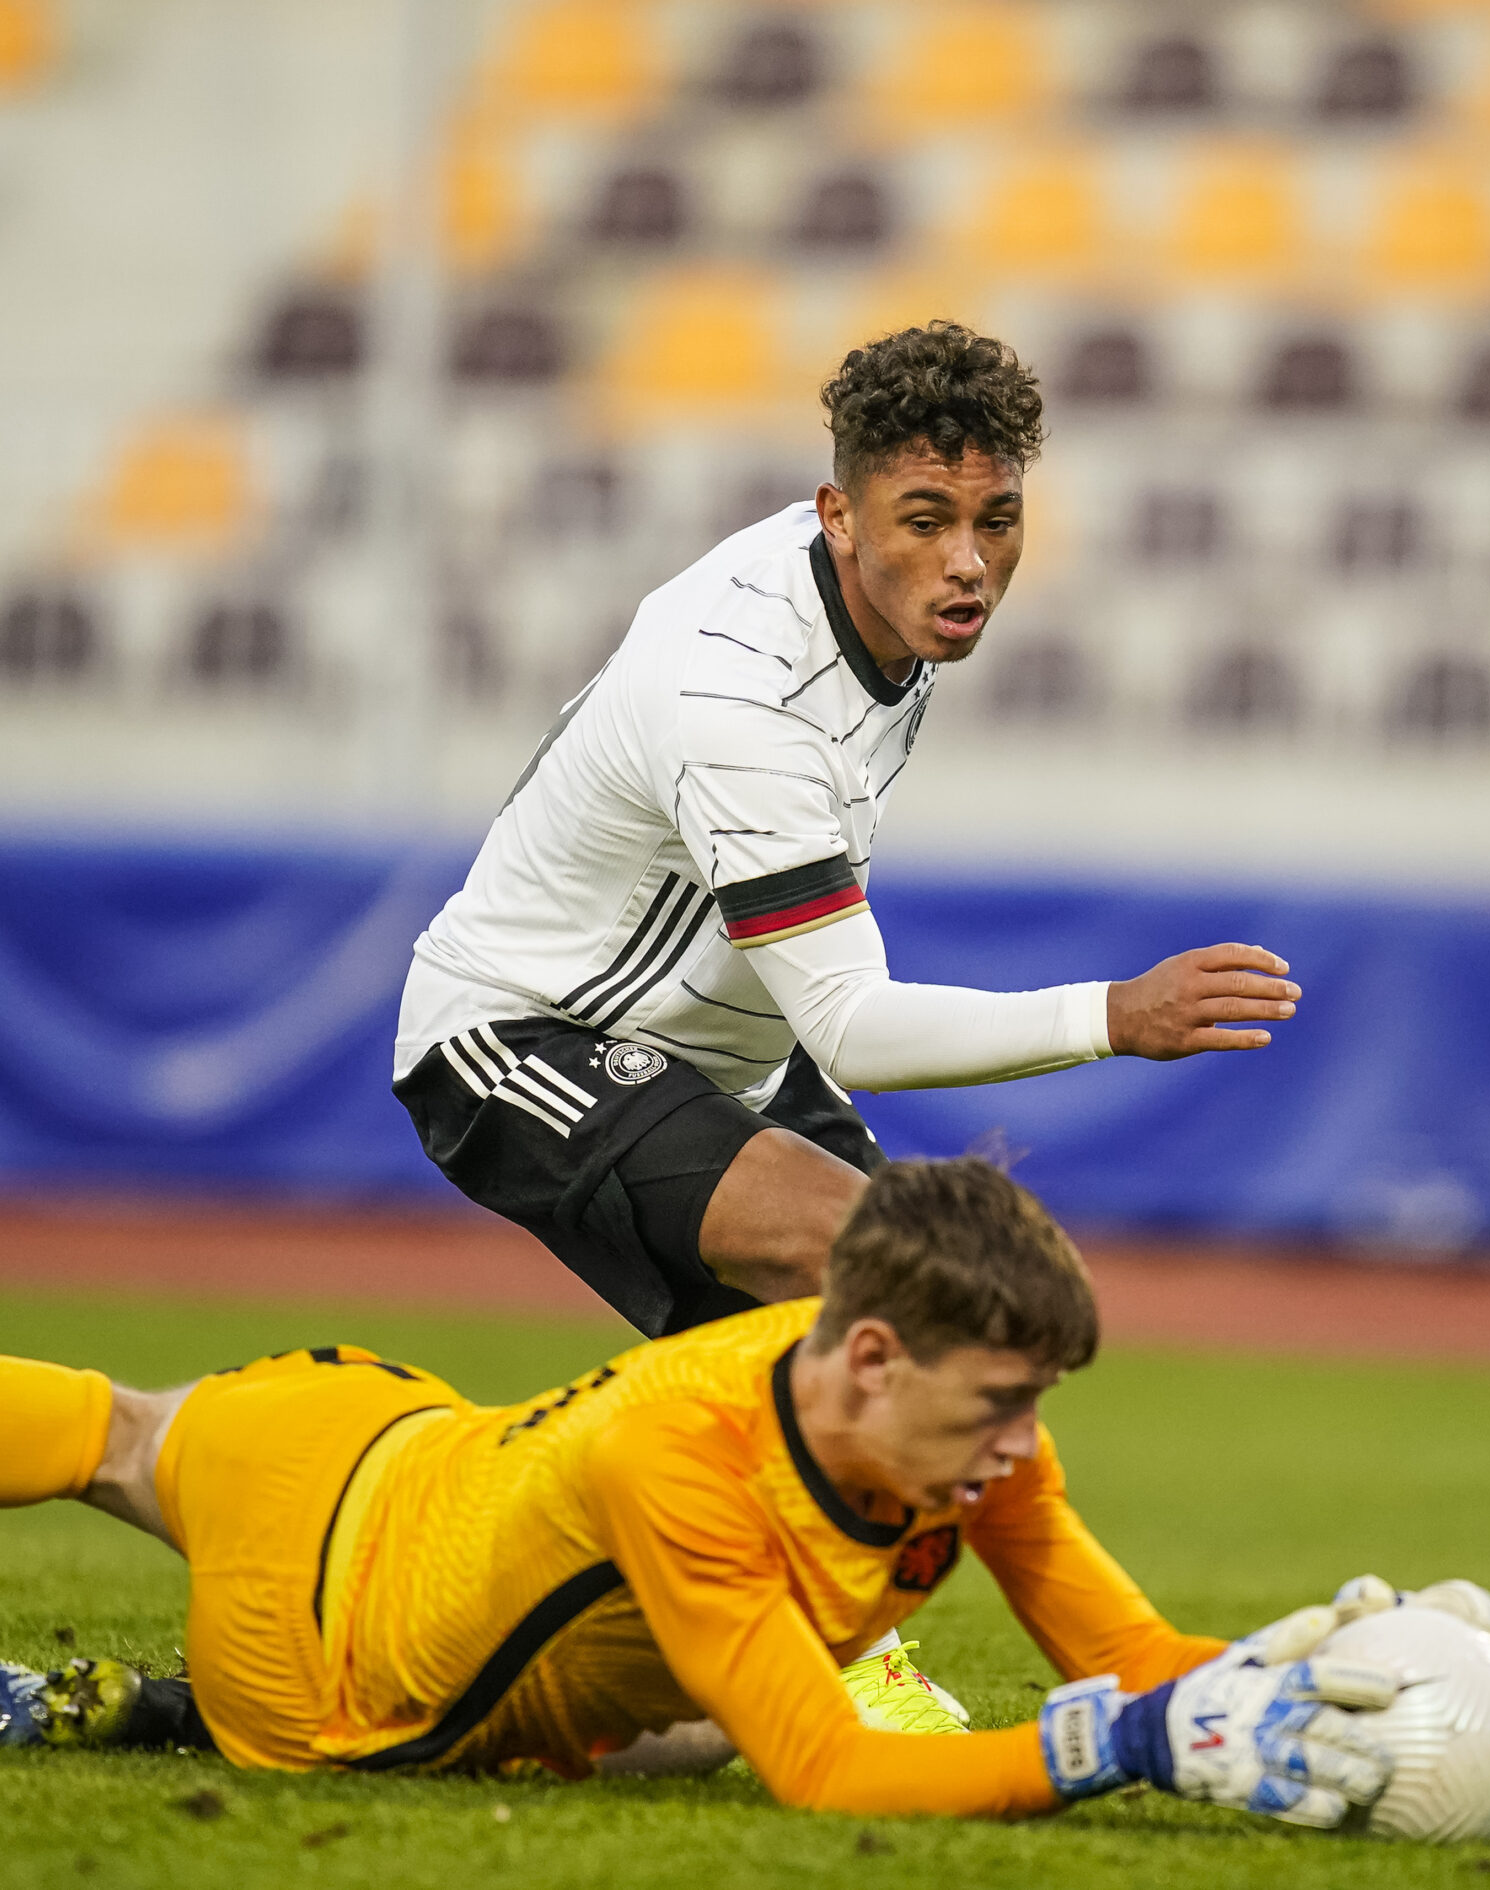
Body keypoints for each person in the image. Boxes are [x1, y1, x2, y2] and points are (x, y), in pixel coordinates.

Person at [0, 1173, 1490, 1821]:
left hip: (375, 1439)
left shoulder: (935, 1420)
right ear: (868, 1354)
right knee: (728, 1727)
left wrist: (1290, 1660)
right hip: (329, 1661)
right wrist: (1138, 1745)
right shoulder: (700, 1456)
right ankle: (161, 1710)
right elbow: (829, 1778)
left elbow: (1115, 1640)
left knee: (113, 1427)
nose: (1016, 1455)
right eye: (991, 1410)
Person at [394, 321, 1305, 1722]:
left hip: (723, 1041)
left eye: (999, 521)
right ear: (839, 513)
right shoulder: (737, 687)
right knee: (854, 1266)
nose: (969, 562)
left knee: (951, 1303)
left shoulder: (882, 606)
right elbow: (859, 1028)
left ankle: (1098, 1659)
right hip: (521, 1035)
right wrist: (1112, 1014)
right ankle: (855, 1650)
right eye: (925, 520)